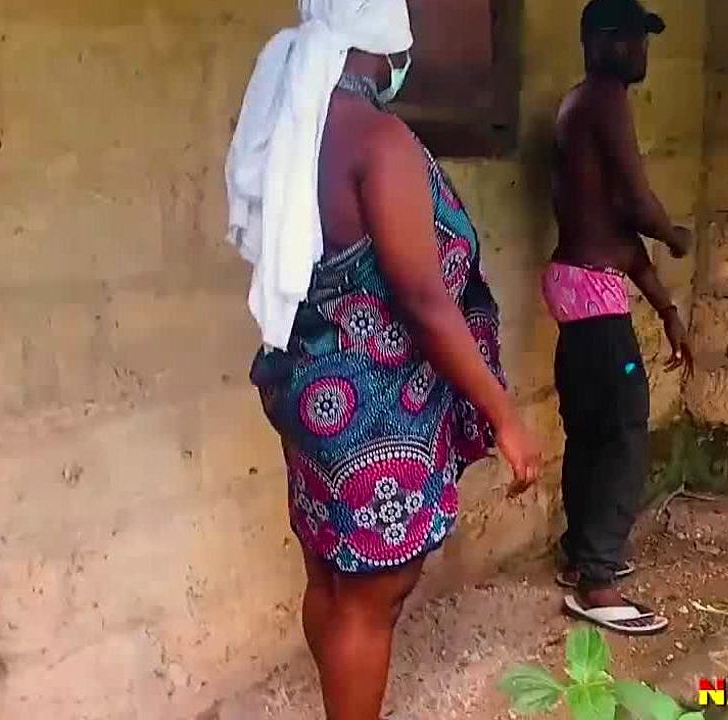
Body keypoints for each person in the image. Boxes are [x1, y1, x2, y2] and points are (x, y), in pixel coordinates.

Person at [225, 1, 542, 718]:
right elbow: (425, 299)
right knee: (372, 604)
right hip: (372, 409)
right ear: (384, 37)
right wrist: (505, 416)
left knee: (329, 580)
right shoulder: (378, 139)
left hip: (307, 385)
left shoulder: (298, 126)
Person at [543, 0, 694, 636]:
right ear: (601, 43)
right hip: (592, 291)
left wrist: (666, 309)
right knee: (626, 430)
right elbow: (635, 205)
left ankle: (581, 553)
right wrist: (675, 235)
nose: (642, 50)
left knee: (592, 429)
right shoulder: (603, 100)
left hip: (580, 282)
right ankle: (597, 582)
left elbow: (616, 232)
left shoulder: (581, 107)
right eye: (632, 38)